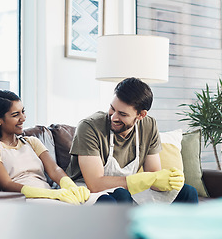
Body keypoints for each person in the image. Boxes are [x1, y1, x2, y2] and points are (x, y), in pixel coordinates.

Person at [0, 90, 132, 205]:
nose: (23, 118)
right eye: (15, 114)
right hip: (24, 200)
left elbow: (54, 170)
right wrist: (50, 195)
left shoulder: (31, 142)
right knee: (106, 204)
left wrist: (69, 186)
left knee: (121, 195)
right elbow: (6, 184)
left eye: (23, 111)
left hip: (50, 194)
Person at [66, 78, 198, 204]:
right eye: (112, 108)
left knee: (188, 192)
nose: (113, 117)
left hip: (127, 188)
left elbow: (153, 176)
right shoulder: (90, 127)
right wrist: (145, 180)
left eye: (122, 114)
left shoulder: (149, 125)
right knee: (122, 195)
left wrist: (168, 180)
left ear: (141, 115)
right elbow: (95, 184)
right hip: (86, 189)